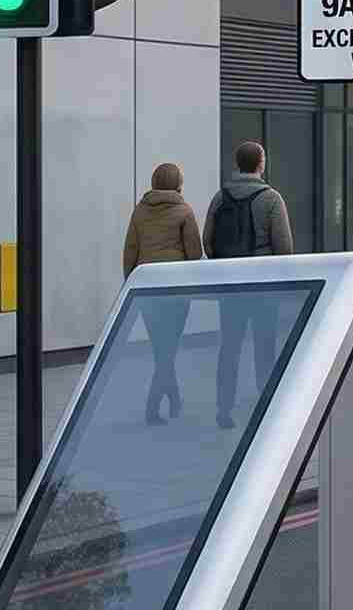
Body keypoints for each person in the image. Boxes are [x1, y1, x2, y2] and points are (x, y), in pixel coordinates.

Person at [203, 141, 294, 429]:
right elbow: (285, 247)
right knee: (264, 346)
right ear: (260, 163)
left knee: (229, 347)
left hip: (231, 283)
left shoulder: (220, 197)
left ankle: (224, 410)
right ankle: (264, 407)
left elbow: (207, 240)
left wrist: (225, 264)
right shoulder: (271, 198)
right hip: (263, 284)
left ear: (237, 163)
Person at [122, 162, 202, 423]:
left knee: (161, 348)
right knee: (168, 349)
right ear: (178, 183)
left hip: (147, 290)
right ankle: (153, 407)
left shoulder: (140, 212)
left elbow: (130, 250)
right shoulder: (184, 211)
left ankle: (173, 400)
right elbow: (195, 252)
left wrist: (131, 283)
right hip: (177, 290)